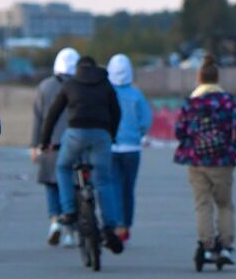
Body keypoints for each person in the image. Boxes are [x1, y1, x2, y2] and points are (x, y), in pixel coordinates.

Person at [38, 55, 123, 252]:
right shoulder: (105, 84)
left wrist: (44, 142)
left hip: (76, 133)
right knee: (103, 180)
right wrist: (112, 135)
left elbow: (53, 114)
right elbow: (116, 112)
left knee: (63, 167)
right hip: (101, 134)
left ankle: (69, 211)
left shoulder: (71, 84)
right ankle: (110, 226)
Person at [174, 55, 236, 268]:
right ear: (217, 78)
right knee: (224, 204)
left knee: (202, 204)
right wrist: (235, 145)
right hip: (223, 159)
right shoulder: (227, 101)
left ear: (199, 78)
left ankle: (206, 245)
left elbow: (180, 130)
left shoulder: (191, 103)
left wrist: (191, 143)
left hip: (197, 161)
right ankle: (225, 246)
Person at [32, 47, 78, 247]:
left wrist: (35, 146)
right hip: (76, 144)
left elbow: (38, 118)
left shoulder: (44, 86)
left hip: (49, 143)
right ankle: (70, 231)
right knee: (74, 186)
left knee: (51, 185)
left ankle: (54, 223)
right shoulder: (80, 86)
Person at [106, 53, 153, 249]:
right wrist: (137, 134)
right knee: (128, 189)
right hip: (132, 148)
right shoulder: (136, 95)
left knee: (113, 186)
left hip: (110, 146)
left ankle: (114, 224)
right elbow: (146, 121)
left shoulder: (106, 93)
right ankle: (125, 226)